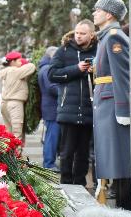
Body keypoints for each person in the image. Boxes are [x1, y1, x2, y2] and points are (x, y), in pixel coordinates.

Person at [92, 0, 131, 210]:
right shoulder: (105, 37)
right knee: (113, 160)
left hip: (113, 105)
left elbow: (122, 75)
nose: (94, 13)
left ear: (108, 14)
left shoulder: (114, 37)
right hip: (105, 103)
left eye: (97, 10)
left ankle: (126, 208)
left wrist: (124, 110)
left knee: (121, 162)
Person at [48, 19, 97, 187]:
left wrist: (93, 71)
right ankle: (66, 184)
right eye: (77, 32)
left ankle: (80, 184)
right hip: (68, 109)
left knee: (84, 153)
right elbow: (51, 74)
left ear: (91, 34)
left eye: (83, 33)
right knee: (67, 152)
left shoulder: (99, 50)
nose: (78, 36)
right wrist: (76, 69)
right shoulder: (64, 50)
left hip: (90, 109)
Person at [0, 51, 36, 141]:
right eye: (19, 60)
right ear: (12, 62)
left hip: (5, 104)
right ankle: (16, 155)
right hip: (15, 105)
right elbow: (32, 66)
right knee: (17, 134)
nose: (20, 62)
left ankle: (9, 154)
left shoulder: (6, 72)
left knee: (9, 133)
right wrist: (25, 62)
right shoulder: (14, 71)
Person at [37, 46, 60, 171]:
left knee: (52, 136)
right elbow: (52, 87)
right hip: (52, 108)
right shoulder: (47, 69)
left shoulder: (45, 68)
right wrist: (65, 92)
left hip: (50, 107)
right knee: (52, 137)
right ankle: (49, 164)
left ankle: (49, 162)